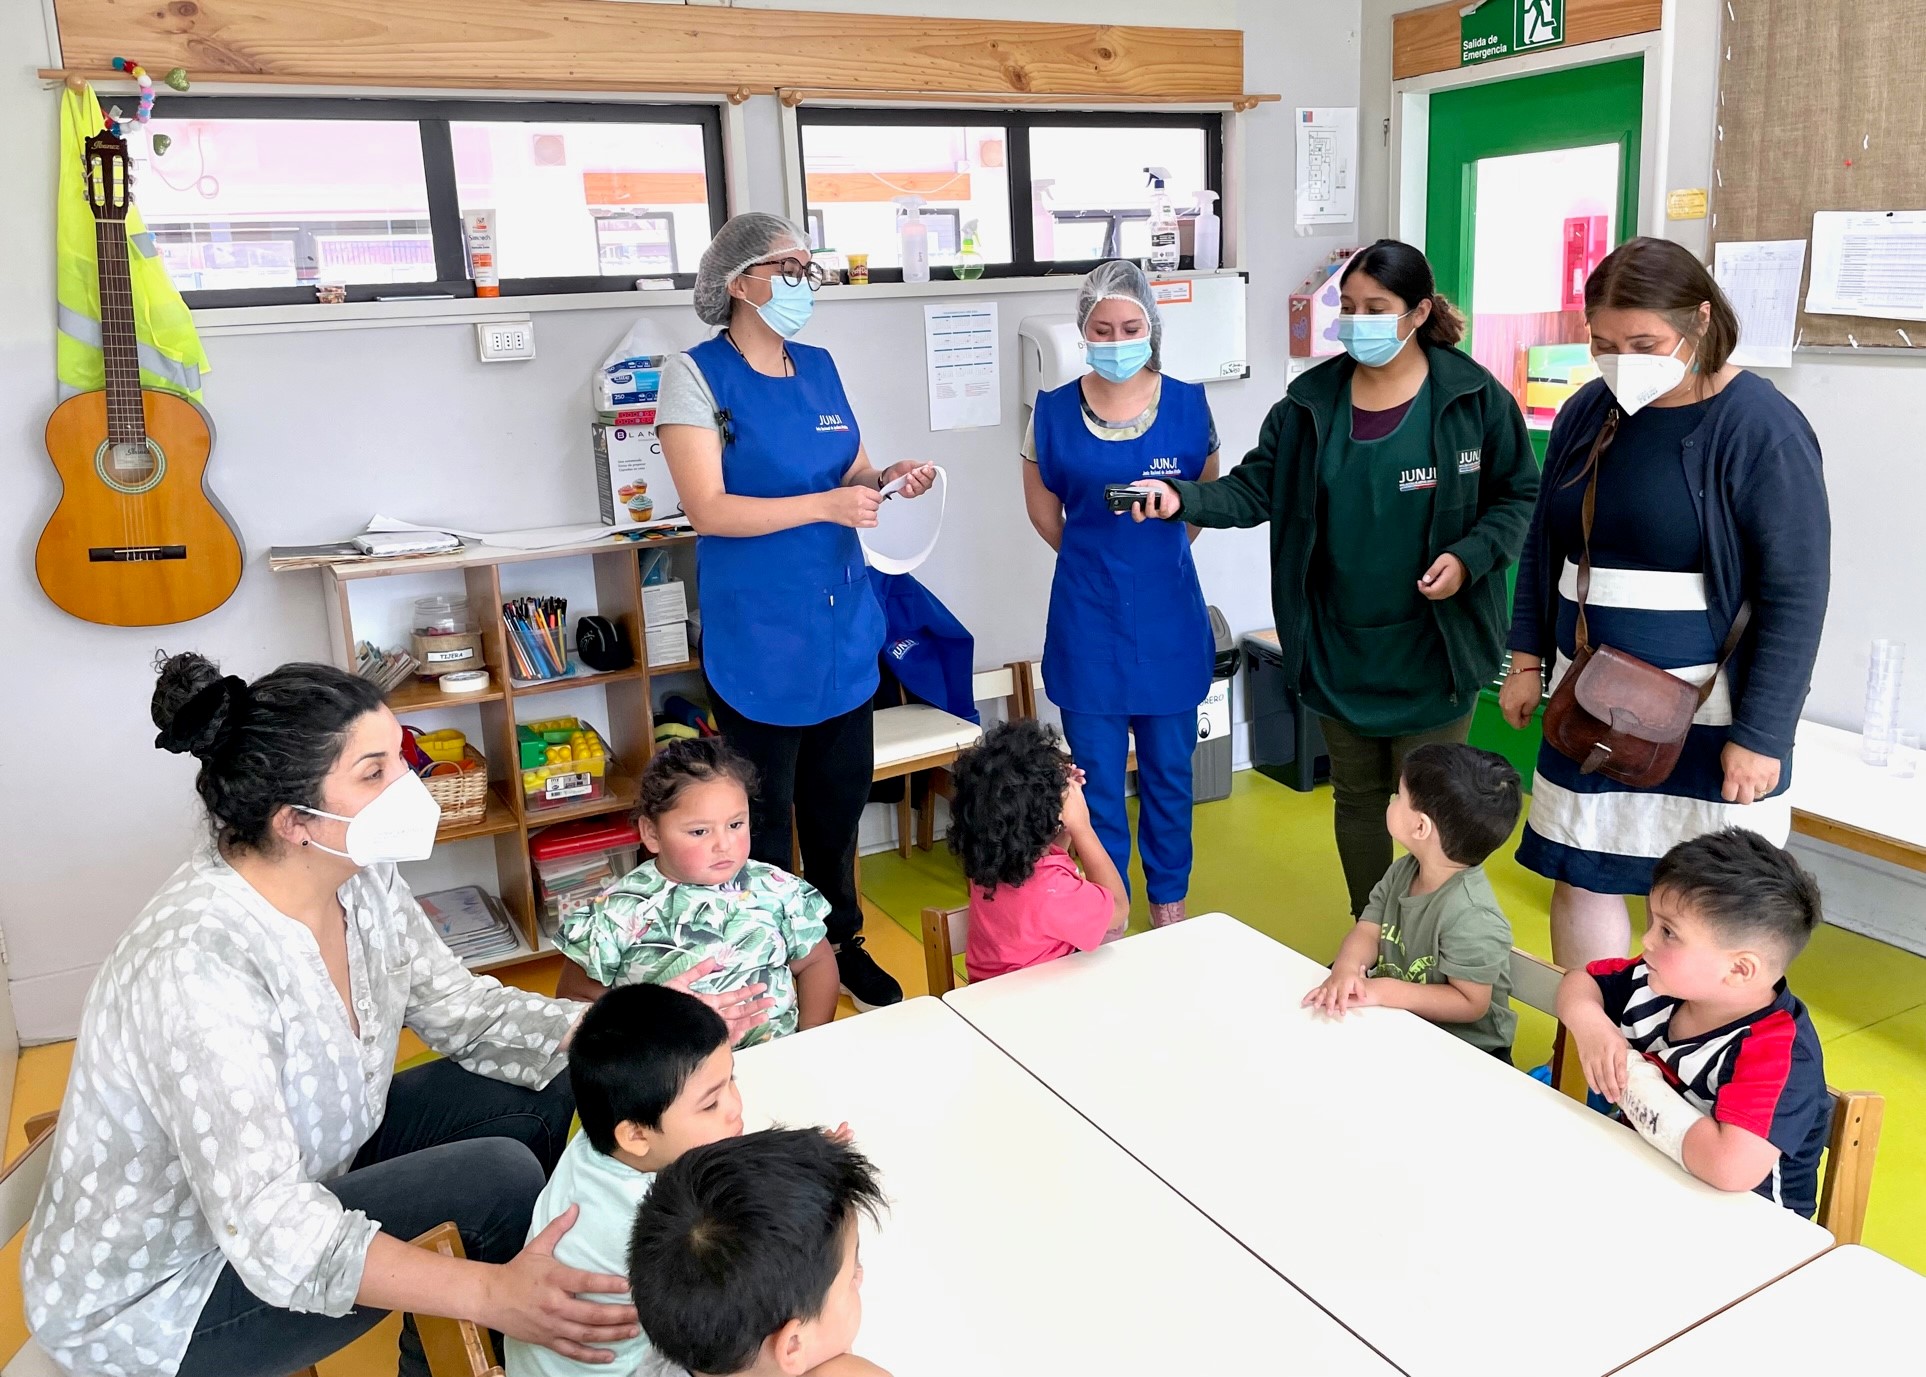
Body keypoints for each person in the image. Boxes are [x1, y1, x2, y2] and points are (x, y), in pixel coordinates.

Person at [22, 653, 770, 1377]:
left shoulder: (358, 875)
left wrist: (630, 1035)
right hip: (167, 1293)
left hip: (314, 1162)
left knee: (565, 1077)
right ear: (294, 820)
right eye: (374, 772)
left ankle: (515, 1301)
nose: (409, 785)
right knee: (497, 1181)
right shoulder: (195, 964)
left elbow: (462, 1010)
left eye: (400, 759)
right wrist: (489, 1293)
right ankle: (474, 1339)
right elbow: (273, 1228)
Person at [1131, 240, 1540, 920]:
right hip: (1337, 647)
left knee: (1431, 811)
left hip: (1437, 649)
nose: (1357, 322)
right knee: (1357, 799)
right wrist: (1184, 498)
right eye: (1348, 307)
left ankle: (1426, 942)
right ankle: (1371, 931)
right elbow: (1254, 487)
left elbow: (1518, 494)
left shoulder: (1472, 398)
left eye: (1376, 308)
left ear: (1418, 313)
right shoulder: (1308, 405)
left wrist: (1470, 557)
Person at [1500, 237, 1829, 969]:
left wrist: (1764, 734)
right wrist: (1525, 659)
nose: (1622, 361)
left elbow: (1796, 594)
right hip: (1589, 700)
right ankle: (1588, 1037)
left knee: (1701, 909)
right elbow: (1544, 545)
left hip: (1708, 714)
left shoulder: (1761, 427)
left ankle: (1673, 1041)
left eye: (1643, 344)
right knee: (1582, 870)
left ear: (1699, 320)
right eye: (1604, 344)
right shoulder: (1587, 411)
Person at [659, 210, 938, 1011]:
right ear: (739, 281)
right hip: (761, 638)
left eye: (807, 270)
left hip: (842, 628)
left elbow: (852, 470)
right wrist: (825, 505)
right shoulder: (695, 376)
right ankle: (775, 962)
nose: (802, 283)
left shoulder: (818, 366)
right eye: (787, 268)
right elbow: (709, 508)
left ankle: (841, 941)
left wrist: (887, 479)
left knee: (837, 805)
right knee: (762, 820)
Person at [1021, 259, 1219, 928]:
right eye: (1102, 329)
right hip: (1088, 625)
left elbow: (1203, 500)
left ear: (1151, 327)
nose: (1116, 340)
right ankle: (1110, 917)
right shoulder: (1051, 413)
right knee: (1096, 785)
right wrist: (1100, 563)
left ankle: (1169, 909)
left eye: (1130, 328)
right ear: (1083, 329)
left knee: (1169, 778)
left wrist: (1150, 560)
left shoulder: (1189, 406)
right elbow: (1045, 514)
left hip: (1169, 623)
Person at [1556, 829, 1830, 1215]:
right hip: (1646, 1179)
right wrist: (1592, 1026)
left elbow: (1729, 1168)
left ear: (1739, 969)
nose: (1648, 940)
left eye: (1668, 932)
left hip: (1748, 1225)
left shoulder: (1779, 1052)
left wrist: (1633, 1077)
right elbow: (1578, 982)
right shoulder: (1655, 982)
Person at [505, 983, 744, 1377]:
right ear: (635, 1135)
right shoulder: (657, 1223)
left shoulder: (600, 1142)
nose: (735, 1107)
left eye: (733, 1078)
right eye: (711, 1103)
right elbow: (733, 1313)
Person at [555, 737, 838, 1045]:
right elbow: (574, 999)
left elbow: (815, 962)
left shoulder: (775, 888)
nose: (724, 844)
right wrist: (638, 1030)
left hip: (775, 1057)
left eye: (735, 825)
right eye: (700, 831)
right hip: (667, 1069)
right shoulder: (617, 911)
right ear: (652, 833)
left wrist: (811, 1039)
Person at [1303, 743, 1523, 1060]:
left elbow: (1471, 1004)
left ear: (1420, 826)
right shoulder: (1404, 870)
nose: (1392, 800)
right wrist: (1347, 968)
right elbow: (1367, 931)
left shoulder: (1473, 916)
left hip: (1468, 1052)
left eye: (1399, 796)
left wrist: (1384, 991)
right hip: (1401, 1023)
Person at [628, 1128, 891, 1377]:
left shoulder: (689, 1339)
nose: (860, 1275)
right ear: (793, 1345)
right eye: (850, 1277)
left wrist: (818, 1168)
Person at [946, 719, 1130, 983]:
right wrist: (1081, 827)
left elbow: (1043, 857)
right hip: (1040, 1000)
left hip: (988, 998)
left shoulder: (990, 866)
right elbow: (1119, 909)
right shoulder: (1054, 890)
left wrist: (1061, 823)